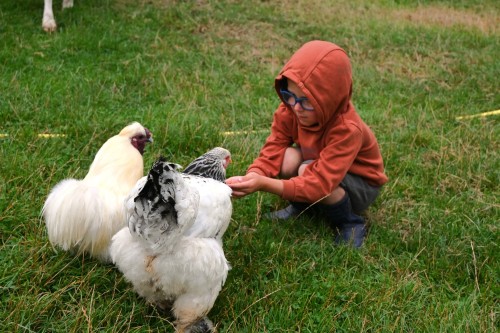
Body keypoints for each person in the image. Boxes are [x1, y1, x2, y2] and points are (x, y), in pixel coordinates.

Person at [226, 40, 388, 248]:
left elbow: (319, 183)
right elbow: (273, 149)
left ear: (330, 98)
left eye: (307, 101)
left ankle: (349, 221)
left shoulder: (347, 129)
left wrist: (264, 184)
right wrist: (255, 174)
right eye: (289, 95)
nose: (296, 106)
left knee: (305, 170)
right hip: (318, 165)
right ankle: (302, 205)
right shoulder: (291, 109)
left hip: (362, 184)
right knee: (287, 159)